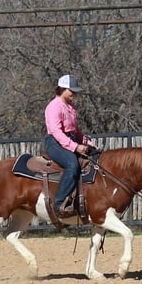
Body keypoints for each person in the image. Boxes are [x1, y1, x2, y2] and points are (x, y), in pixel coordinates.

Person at [44, 74, 97, 218]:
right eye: (71, 90)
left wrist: (87, 143)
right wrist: (75, 147)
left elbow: (75, 131)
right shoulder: (54, 107)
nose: (74, 94)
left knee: (96, 158)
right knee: (72, 165)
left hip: (69, 140)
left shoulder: (70, 107)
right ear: (62, 89)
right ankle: (59, 203)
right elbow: (56, 132)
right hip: (55, 143)